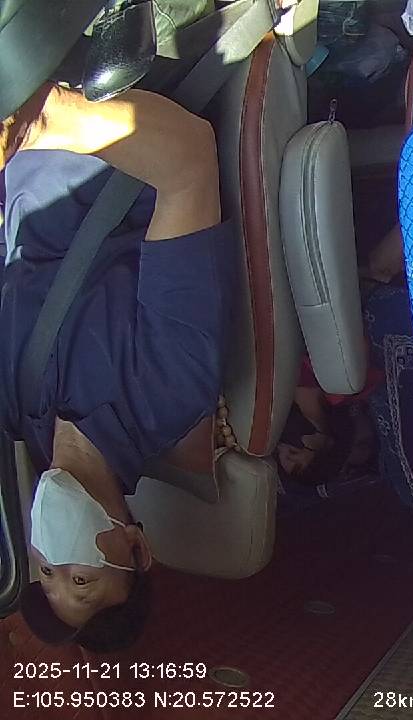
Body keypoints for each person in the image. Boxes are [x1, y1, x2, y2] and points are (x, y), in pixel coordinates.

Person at [1, 78, 234, 650]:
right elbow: (187, 162)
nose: (56, 558)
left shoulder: (12, 409)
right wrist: (38, 120)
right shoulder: (169, 390)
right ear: (136, 547)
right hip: (88, 98)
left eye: (44, 570)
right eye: (81, 579)